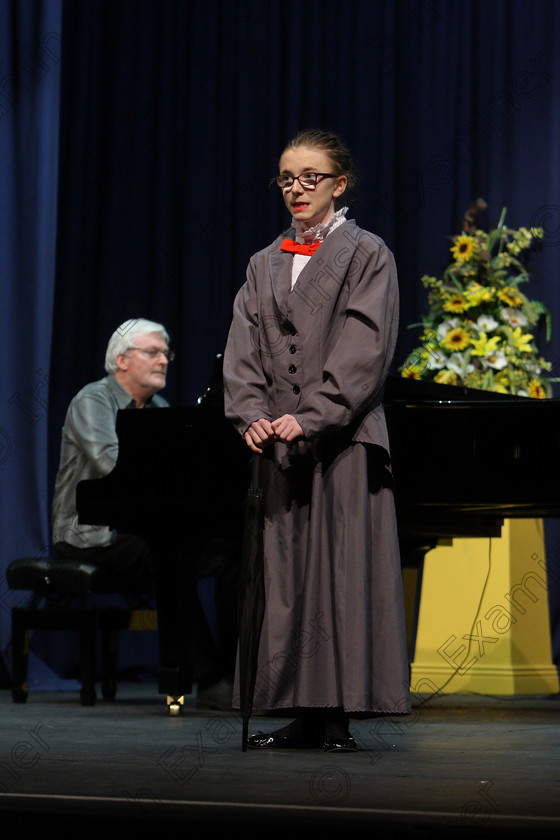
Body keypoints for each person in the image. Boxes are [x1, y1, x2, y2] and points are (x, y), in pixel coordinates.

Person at [223, 129, 410, 751]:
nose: (296, 189)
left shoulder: (366, 253)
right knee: (286, 578)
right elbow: (242, 348)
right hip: (278, 443)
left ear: (340, 183)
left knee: (340, 573)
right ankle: (297, 709)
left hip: (343, 441)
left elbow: (366, 345)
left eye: (310, 177)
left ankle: (337, 715)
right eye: (286, 178)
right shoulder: (264, 262)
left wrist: (315, 413)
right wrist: (250, 412)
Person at [52, 317, 233, 710]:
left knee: (225, 555)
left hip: (139, 527)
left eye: (166, 353)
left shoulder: (160, 409)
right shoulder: (92, 401)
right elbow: (109, 465)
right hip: (88, 532)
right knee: (163, 556)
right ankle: (205, 676)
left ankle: (238, 668)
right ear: (122, 360)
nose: (164, 360)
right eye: (153, 352)